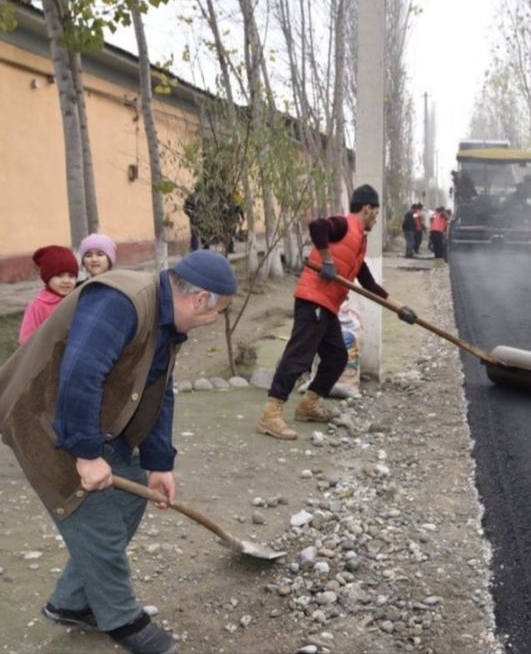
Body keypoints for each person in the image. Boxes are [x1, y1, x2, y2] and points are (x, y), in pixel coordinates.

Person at [0, 250, 237, 654]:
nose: (213, 321)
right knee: (93, 515)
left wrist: (160, 462)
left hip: (96, 420)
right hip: (43, 416)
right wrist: (87, 455)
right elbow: (80, 373)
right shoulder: (120, 301)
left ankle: (70, 603)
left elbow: (159, 391)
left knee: (129, 501)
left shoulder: (167, 322)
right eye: (218, 312)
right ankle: (123, 620)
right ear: (199, 300)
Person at [257, 184, 417, 441]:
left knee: (336, 357)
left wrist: (400, 309)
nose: (375, 220)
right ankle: (270, 414)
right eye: (375, 214)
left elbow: (370, 284)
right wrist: (328, 261)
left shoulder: (358, 244)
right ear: (366, 209)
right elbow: (317, 226)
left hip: (327, 306)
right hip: (313, 301)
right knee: (299, 356)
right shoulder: (345, 225)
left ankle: (308, 405)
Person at [18, 245, 79, 345]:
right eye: (59, 276)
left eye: (71, 276)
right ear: (47, 277)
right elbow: (26, 340)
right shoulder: (37, 306)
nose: (67, 281)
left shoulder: (78, 299)